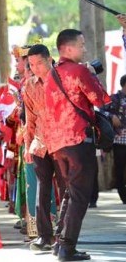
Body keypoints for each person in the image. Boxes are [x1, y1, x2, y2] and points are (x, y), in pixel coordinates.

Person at [44, 29, 110, 261]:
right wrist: (92, 73)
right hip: (79, 139)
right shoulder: (80, 70)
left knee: (70, 194)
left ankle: (59, 243)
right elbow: (101, 99)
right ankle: (67, 248)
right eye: (81, 44)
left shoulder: (51, 74)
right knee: (80, 196)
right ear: (68, 48)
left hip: (56, 143)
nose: (84, 49)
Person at [24, 44, 66, 251]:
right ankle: (44, 236)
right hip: (40, 144)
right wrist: (26, 146)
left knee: (66, 189)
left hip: (64, 143)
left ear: (50, 59)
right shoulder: (29, 86)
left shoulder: (63, 79)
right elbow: (30, 119)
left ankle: (65, 235)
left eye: (39, 63)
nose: (35, 68)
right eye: (31, 65)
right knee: (42, 190)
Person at [101, 74, 126, 204]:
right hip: (119, 140)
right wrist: (112, 117)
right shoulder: (114, 98)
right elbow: (102, 111)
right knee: (119, 169)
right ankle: (123, 195)